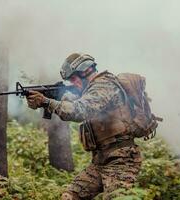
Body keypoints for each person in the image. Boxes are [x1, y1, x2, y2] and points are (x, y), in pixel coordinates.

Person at [26, 53, 143, 200]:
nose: (72, 83)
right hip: (100, 161)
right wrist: (54, 97)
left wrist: (47, 102)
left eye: (73, 78)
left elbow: (80, 110)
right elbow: (76, 102)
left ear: (85, 71)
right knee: (69, 197)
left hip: (121, 160)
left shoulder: (103, 85)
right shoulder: (91, 90)